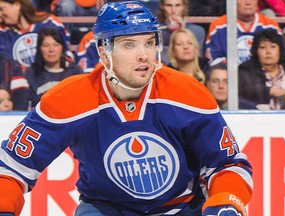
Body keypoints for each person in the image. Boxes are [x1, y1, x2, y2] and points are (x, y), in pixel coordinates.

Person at [0, 1, 253, 215]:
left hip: (181, 208)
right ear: (103, 52)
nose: (144, 54)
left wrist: (227, 202)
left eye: (149, 42)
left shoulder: (188, 94)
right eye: (129, 44)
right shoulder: (67, 99)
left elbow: (228, 164)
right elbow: (11, 167)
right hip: (105, 208)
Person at [0, 0, 72, 70]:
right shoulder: (3, 31)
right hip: (17, 80)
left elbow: (66, 56)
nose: (0, 14)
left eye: (1, 9)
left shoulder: (49, 22)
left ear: (17, 5)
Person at [205, 0, 282, 65]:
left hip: (264, 79)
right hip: (229, 79)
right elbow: (214, 60)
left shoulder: (271, 26)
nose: (248, 2)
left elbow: (281, 57)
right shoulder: (218, 26)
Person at [25, 27, 84, 109]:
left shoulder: (76, 73)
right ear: (39, 48)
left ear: (62, 48)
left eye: (56, 45)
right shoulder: (31, 73)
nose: (51, 50)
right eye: (46, 45)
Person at [238, 29, 285, 110]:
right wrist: (269, 91)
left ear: (280, 50)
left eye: (273, 47)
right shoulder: (246, 69)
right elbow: (246, 91)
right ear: (256, 51)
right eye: (263, 47)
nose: (268, 51)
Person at [157, 0, 206, 65]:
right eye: (169, 5)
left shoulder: (197, 31)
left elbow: (197, 59)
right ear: (162, 6)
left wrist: (182, 31)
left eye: (177, 5)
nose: (173, 10)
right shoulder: (155, 30)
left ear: (183, 7)